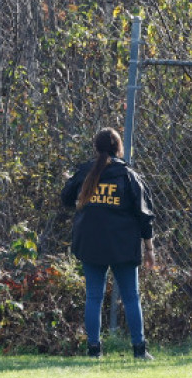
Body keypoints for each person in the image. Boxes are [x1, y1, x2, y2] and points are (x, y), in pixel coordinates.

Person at [61, 127, 156, 360]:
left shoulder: (85, 172)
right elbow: (145, 215)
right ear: (118, 148)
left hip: (90, 243)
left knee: (94, 296)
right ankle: (139, 349)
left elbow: (65, 199)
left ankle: (94, 350)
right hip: (123, 245)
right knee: (131, 296)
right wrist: (149, 249)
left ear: (96, 148)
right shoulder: (128, 175)